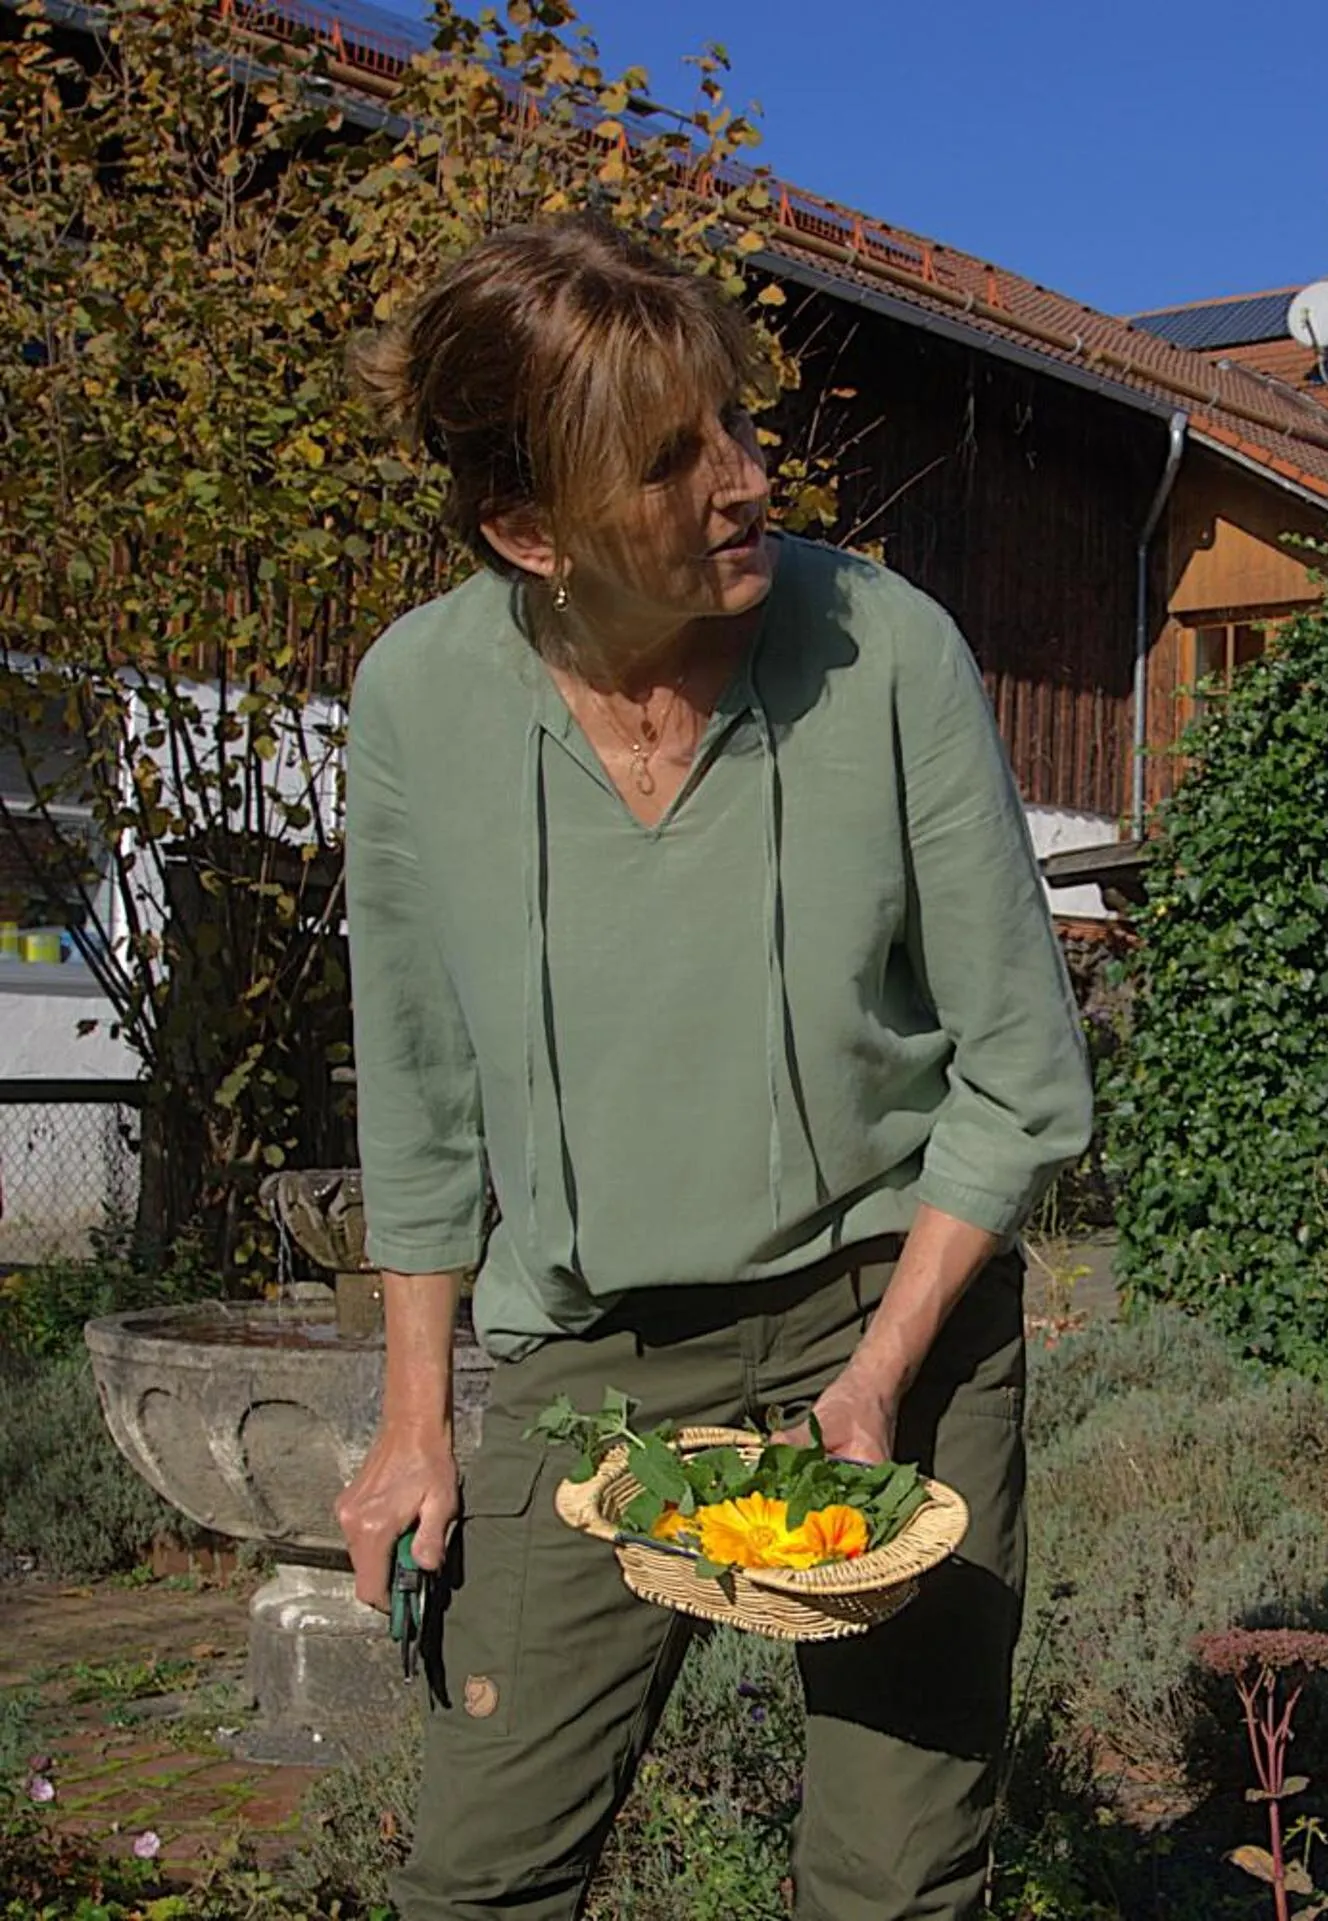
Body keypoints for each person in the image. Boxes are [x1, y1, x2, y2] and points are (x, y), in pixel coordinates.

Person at [330, 214, 1093, 1921]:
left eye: (736, 426)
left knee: (892, 1884)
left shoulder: (885, 649)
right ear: (530, 529)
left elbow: (1023, 1075)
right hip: (588, 1357)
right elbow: (423, 1099)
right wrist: (410, 1426)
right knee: (479, 1877)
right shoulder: (416, 703)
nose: (746, 480)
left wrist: (888, 1367)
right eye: (672, 464)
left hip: (894, 1316)